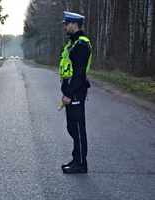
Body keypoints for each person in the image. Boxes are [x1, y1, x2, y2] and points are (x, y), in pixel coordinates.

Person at [59, 11, 92, 174]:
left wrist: (69, 94)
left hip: (76, 92)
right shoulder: (73, 43)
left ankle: (81, 163)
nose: (65, 27)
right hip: (72, 91)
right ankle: (76, 158)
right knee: (72, 126)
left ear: (75, 25)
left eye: (67, 24)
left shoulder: (81, 45)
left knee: (77, 127)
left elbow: (79, 74)